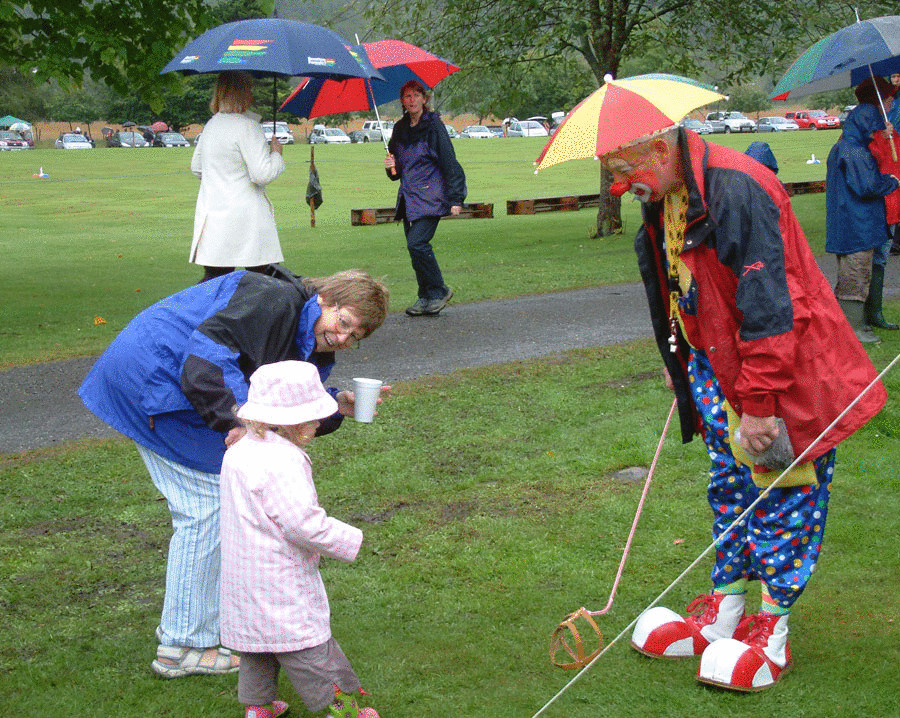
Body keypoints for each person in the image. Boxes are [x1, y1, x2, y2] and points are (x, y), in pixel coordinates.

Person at [598, 124, 887, 692]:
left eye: (623, 170)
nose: (620, 186)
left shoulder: (738, 187)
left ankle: (770, 631)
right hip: (718, 367)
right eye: (612, 175)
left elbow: (773, 303)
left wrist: (757, 404)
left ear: (660, 148)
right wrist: (679, 353)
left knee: (783, 490)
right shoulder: (664, 194)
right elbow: (686, 283)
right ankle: (726, 607)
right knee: (729, 483)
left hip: (780, 376)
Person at [78, 266, 390, 678]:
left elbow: (284, 399)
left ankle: (206, 623)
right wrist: (237, 422)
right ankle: (182, 645)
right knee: (206, 508)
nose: (342, 337)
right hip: (152, 377)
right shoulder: (272, 300)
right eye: (343, 322)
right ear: (325, 300)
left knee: (220, 499)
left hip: (181, 385)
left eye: (355, 337)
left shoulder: (312, 339)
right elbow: (205, 361)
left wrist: (335, 406)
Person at [220, 361, 379, 718]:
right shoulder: (282, 461)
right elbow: (302, 524)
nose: (318, 423)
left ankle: (257, 708)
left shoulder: (240, 451)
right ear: (288, 421)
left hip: (243, 574)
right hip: (279, 577)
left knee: (258, 644)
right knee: (306, 647)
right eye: (311, 418)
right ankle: (343, 710)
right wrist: (349, 538)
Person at [191, 71, 286, 283]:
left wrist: (221, 177)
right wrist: (276, 155)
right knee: (265, 279)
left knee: (214, 279)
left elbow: (197, 167)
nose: (251, 95)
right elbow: (262, 174)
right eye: (249, 90)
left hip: (215, 215)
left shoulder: (212, 125)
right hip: (248, 218)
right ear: (241, 93)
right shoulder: (247, 127)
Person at [385, 80, 466, 316]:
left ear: (424, 98)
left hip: (431, 196)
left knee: (417, 243)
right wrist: (391, 166)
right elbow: (396, 174)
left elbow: (449, 161)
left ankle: (439, 290)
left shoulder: (434, 126)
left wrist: (456, 199)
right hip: (409, 198)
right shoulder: (400, 129)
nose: (411, 100)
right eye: (407, 96)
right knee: (415, 249)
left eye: (415, 95)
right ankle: (425, 297)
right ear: (402, 101)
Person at [826, 99, 900, 343]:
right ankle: (853, 331)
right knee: (855, 276)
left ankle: (854, 324)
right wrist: (890, 182)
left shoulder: (846, 147)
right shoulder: (854, 151)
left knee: (854, 273)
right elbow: (867, 186)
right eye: (872, 128)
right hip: (857, 224)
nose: (873, 133)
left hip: (848, 222)